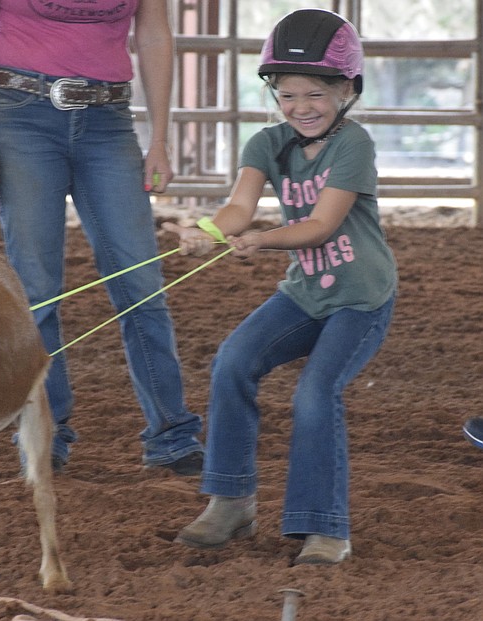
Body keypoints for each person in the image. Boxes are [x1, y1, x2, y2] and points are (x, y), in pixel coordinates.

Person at [163, 9, 397, 564]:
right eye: (287, 95)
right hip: (306, 293)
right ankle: (232, 500)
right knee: (232, 362)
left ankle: (326, 529)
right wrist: (207, 232)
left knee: (316, 393)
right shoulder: (266, 144)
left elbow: (322, 225)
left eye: (315, 93)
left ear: (346, 90)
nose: (300, 107)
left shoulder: (354, 145)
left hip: (360, 300)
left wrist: (264, 241)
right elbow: (240, 208)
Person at [0, 0, 204, 475]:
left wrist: (159, 139)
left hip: (109, 120)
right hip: (20, 113)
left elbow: (154, 34)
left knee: (141, 283)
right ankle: (46, 433)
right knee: (37, 290)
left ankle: (173, 434)